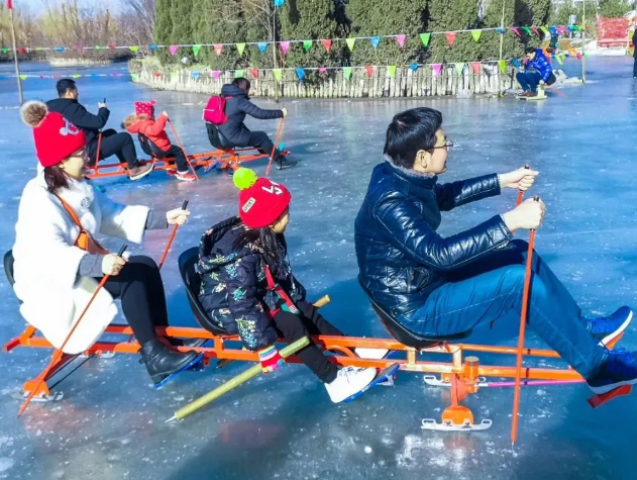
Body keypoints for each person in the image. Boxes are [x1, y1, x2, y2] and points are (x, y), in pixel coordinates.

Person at [355, 107, 637, 396]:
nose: (448, 149)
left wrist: (504, 180)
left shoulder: (401, 175)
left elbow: (442, 196)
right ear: (423, 157)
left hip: (424, 279)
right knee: (518, 283)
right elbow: (438, 253)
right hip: (415, 309)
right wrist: (511, 219)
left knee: (519, 252)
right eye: (444, 143)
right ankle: (598, 369)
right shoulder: (390, 201)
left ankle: (581, 328)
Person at [15, 101, 202, 386]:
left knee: (145, 265)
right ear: (60, 159)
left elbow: (114, 214)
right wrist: (99, 262)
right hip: (51, 278)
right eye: (80, 153)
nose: (88, 157)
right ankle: (154, 356)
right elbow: (48, 254)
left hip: (75, 264)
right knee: (131, 277)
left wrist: (165, 217)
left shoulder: (78, 185)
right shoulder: (39, 198)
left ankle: (162, 340)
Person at [196, 168, 386, 403]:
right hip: (228, 307)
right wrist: (262, 345)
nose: (289, 217)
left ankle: (352, 349)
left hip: (258, 296)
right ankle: (334, 380)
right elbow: (241, 302)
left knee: (305, 311)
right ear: (270, 220)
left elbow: (278, 275)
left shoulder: (265, 237)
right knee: (290, 322)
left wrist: (294, 299)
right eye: (286, 213)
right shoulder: (243, 256)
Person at [47, 78, 153, 181]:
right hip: (85, 151)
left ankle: (128, 165)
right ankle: (134, 169)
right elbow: (98, 123)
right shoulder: (72, 108)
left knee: (111, 133)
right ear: (70, 93)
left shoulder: (51, 108)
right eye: (76, 92)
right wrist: (103, 109)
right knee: (125, 138)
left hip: (69, 151)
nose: (77, 94)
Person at [218, 78, 296, 170]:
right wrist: (280, 113)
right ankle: (281, 161)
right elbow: (259, 113)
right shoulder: (239, 100)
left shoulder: (224, 97)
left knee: (252, 135)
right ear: (245, 89)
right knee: (261, 136)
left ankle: (267, 151)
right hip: (232, 137)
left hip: (220, 135)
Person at [123, 100, 196, 182]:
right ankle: (183, 172)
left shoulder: (140, 125)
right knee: (178, 151)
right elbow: (155, 130)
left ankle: (170, 168)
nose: (153, 114)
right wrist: (163, 117)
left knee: (170, 153)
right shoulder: (146, 124)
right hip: (160, 147)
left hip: (152, 150)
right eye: (152, 112)